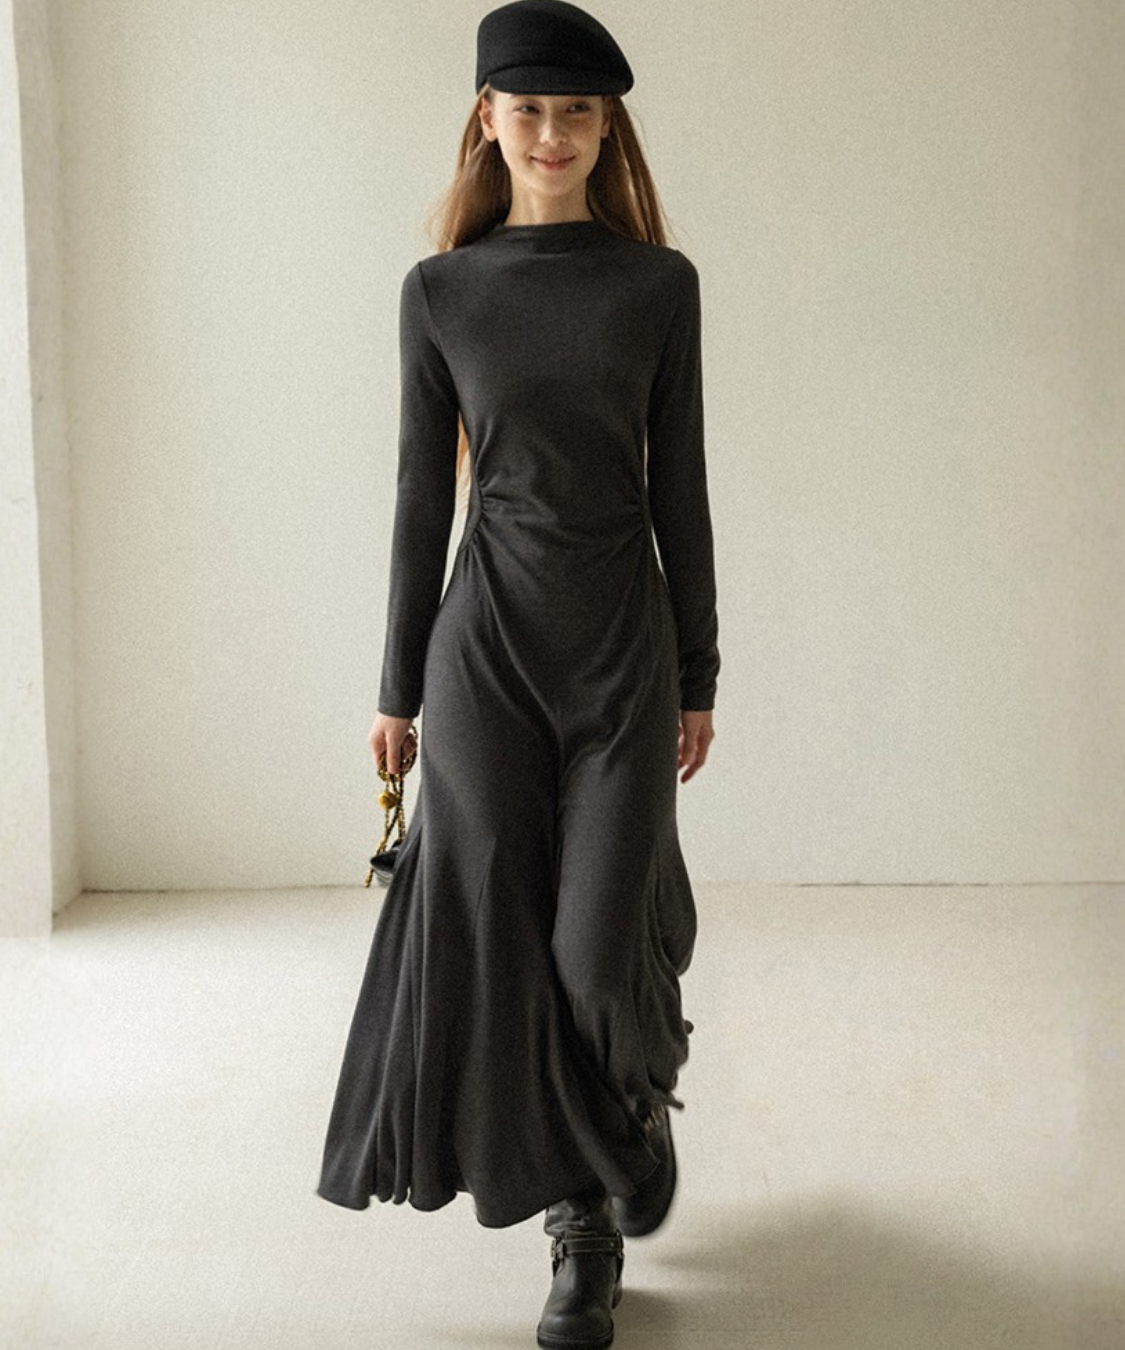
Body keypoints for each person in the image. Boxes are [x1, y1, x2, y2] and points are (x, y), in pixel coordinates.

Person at [316, 2, 720, 1346]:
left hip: (620, 650)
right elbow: (417, 500)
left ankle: (634, 1102)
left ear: (608, 128)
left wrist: (701, 668)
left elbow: (681, 490)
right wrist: (396, 688)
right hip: (482, 650)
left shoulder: (658, 287)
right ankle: (581, 1231)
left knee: (596, 946)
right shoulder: (441, 293)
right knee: (504, 943)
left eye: (577, 111)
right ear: (487, 119)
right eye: (529, 108)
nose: (553, 132)